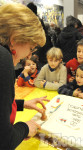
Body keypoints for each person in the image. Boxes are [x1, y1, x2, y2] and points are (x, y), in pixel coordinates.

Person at [0, 3, 49, 149]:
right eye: (31, 48)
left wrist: (22, 104)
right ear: (15, 39)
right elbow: (4, 141)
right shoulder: (3, 58)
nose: (29, 55)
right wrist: (26, 127)